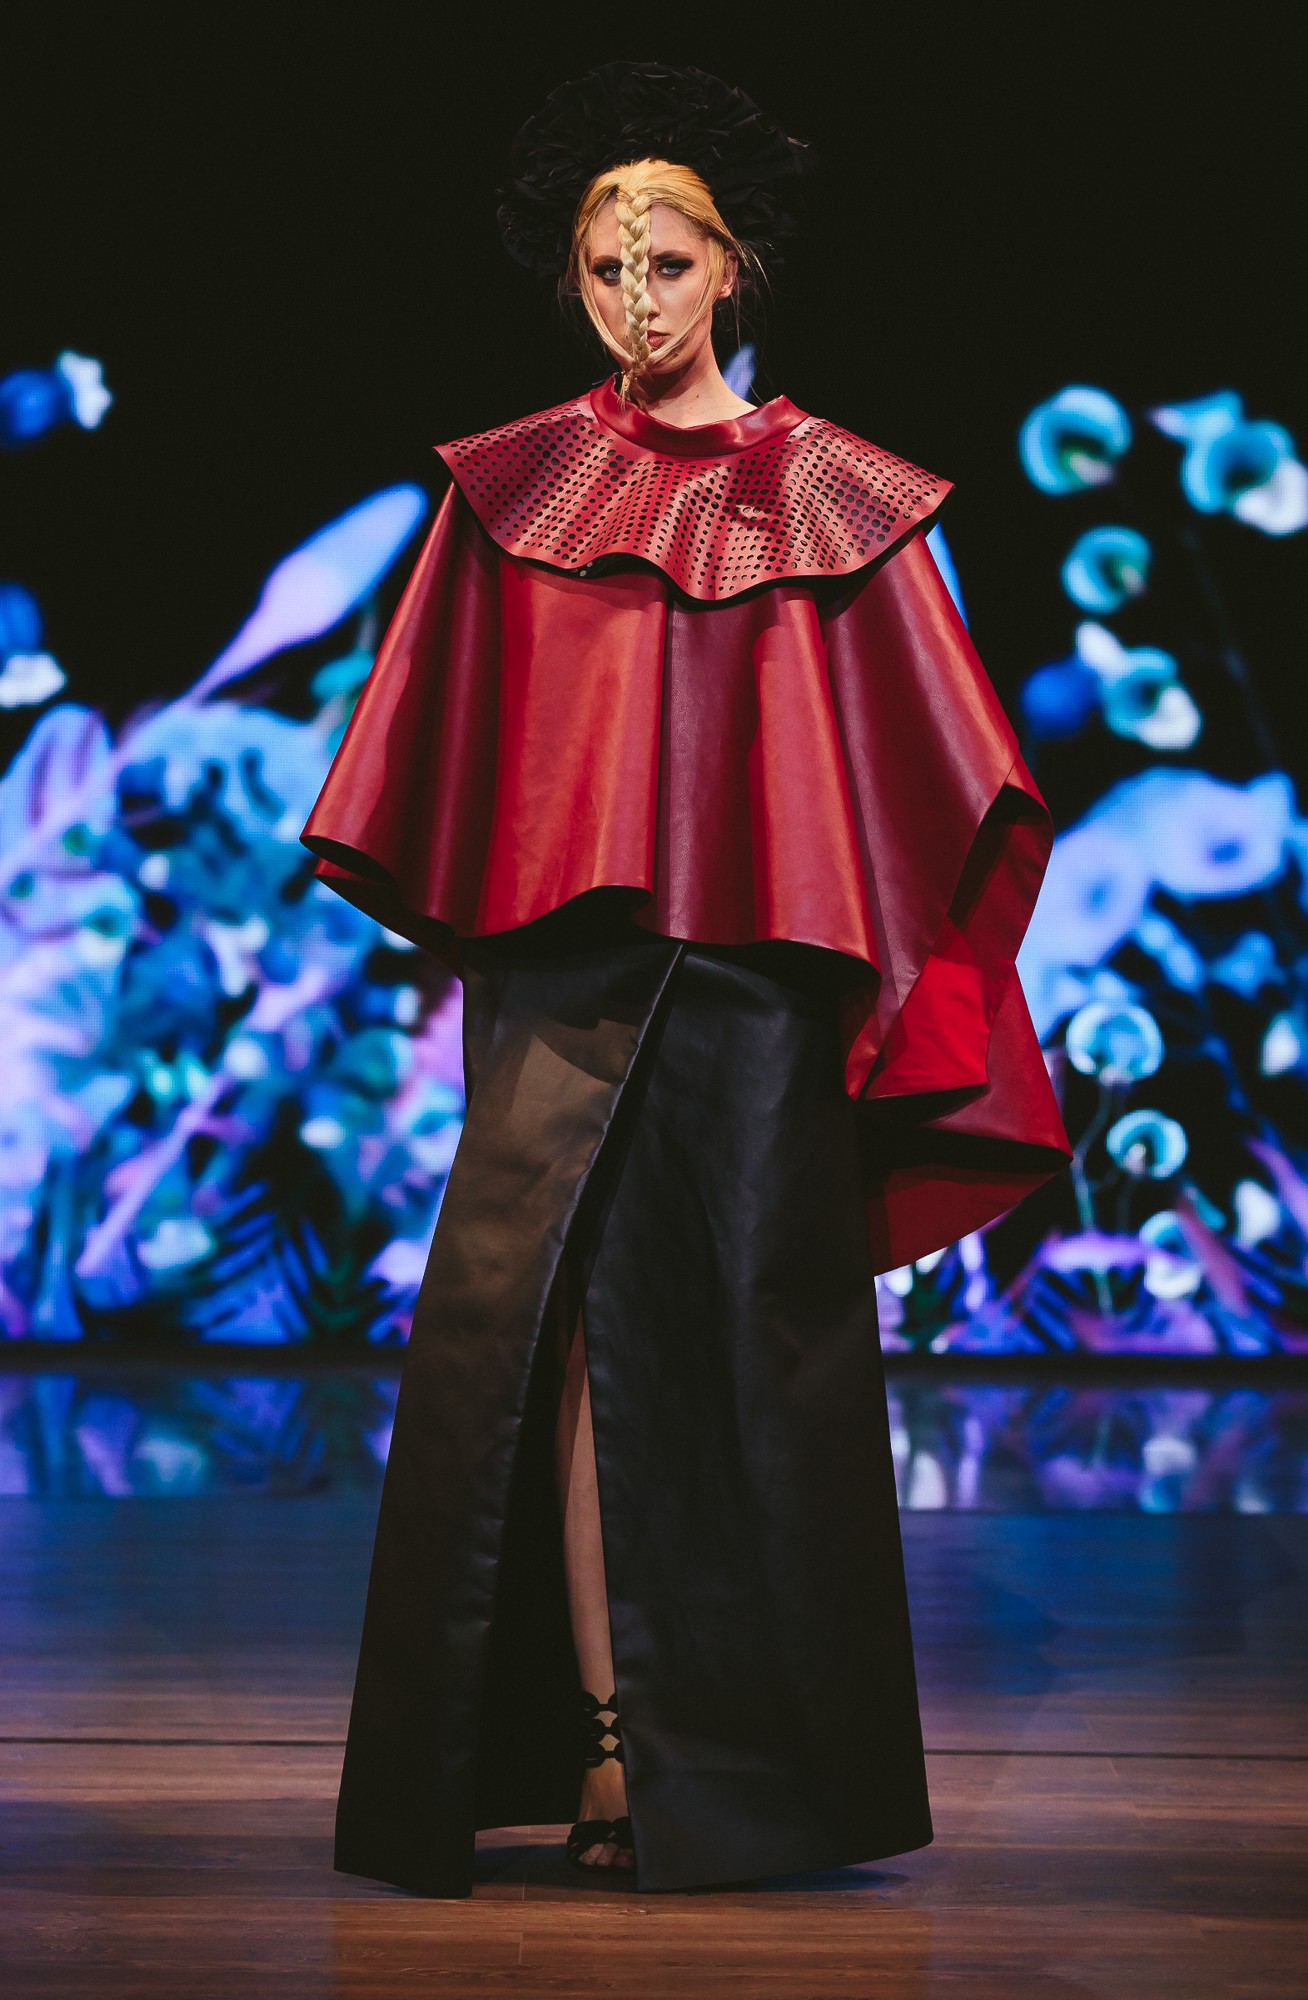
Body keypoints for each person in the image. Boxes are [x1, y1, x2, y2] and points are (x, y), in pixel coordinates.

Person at [301, 61, 1070, 1897]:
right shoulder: (516, 485)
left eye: (667, 263)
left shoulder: (835, 493)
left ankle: (752, 1767)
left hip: (754, 982)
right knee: (538, 1336)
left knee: (746, 1337)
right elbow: (439, 753)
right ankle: (603, 1741)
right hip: (563, 978)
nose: (636, 301)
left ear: (731, 268)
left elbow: (930, 773)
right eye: (604, 267)